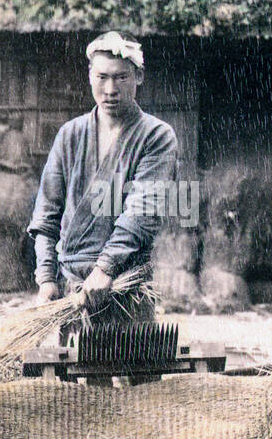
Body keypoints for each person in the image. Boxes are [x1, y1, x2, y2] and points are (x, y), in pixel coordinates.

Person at [27, 31, 178, 323]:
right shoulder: (70, 135)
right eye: (102, 77)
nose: (111, 89)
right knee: (70, 364)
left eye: (121, 78)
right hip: (72, 290)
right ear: (89, 76)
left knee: (136, 362)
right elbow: (46, 215)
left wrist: (106, 268)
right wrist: (46, 278)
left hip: (126, 285)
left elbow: (142, 211)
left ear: (140, 77)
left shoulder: (156, 136)